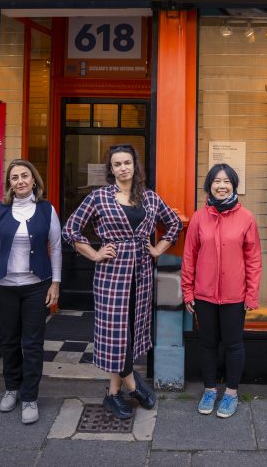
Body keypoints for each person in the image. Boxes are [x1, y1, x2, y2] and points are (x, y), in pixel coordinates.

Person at [63, 144, 181, 420]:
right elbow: (71, 228)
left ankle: (112, 394)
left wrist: (158, 249)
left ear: (134, 166)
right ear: (111, 169)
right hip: (111, 276)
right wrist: (94, 253)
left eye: (127, 162)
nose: (123, 168)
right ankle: (133, 386)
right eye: (117, 164)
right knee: (116, 333)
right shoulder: (99, 197)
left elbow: (173, 223)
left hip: (141, 275)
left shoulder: (150, 198)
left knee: (128, 332)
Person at [0, 159, 61, 424]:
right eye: (14, 178)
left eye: (24, 176)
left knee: (33, 343)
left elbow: (56, 247)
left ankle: (29, 396)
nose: (20, 181)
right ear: (9, 184)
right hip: (5, 288)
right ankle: (11, 388)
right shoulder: (0, 210)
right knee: (9, 341)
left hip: (36, 287)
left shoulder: (46, 209)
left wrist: (55, 283)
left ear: (34, 179)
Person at [182, 163, 262, 419]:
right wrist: (187, 291)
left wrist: (251, 295)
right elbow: (189, 257)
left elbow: (253, 260)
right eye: (216, 181)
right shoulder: (198, 217)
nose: (221, 185)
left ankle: (231, 394)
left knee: (233, 345)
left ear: (234, 185)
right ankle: (209, 390)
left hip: (234, 296)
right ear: (209, 185)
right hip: (204, 295)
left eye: (227, 181)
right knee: (207, 344)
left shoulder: (246, 218)